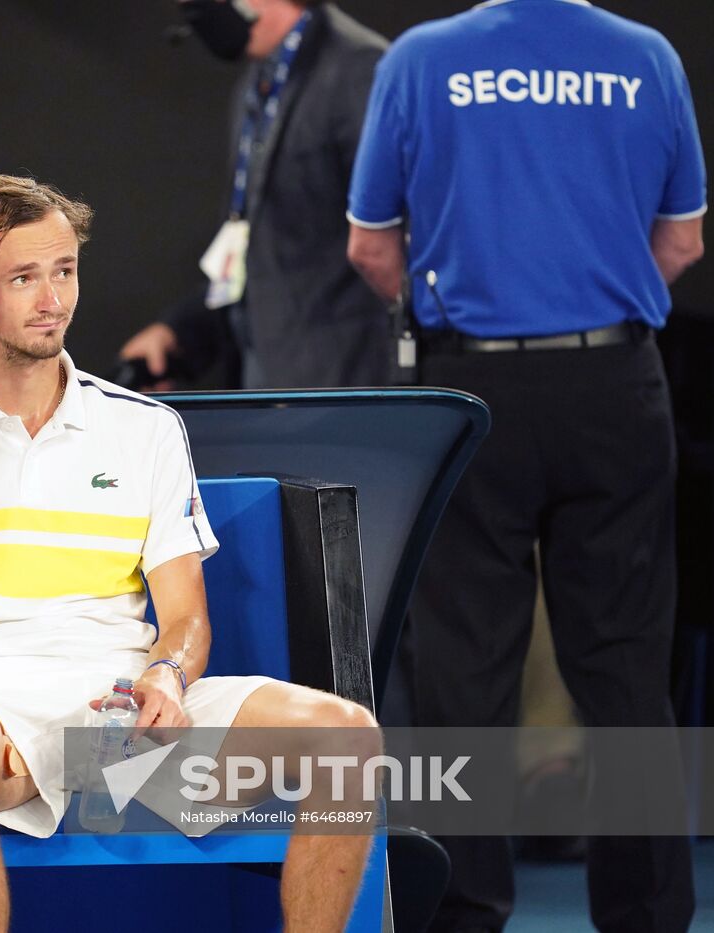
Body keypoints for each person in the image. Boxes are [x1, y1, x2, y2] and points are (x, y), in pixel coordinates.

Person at [0, 174, 382, 933]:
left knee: (348, 738)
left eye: (63, 271)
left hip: (123, 723)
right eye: (23, 277)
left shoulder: (147, 427)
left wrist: (168, 671)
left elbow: (186, 618)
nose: (52, 299)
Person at [345, 1, 706, 930]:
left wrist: (468, 310)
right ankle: (651, 917)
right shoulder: (648, 56)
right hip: (616, 382)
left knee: (464, 667)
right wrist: (591, 306)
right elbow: (681, 240)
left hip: (472, 391)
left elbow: (371, 244)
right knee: (626, 667)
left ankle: (463, 914)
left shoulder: (423, 59)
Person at [119, 0, 390, 390]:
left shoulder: (357, 69)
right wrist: (185, 330)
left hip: (334, 381)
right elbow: (256, 245)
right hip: (263, 367)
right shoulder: (258, 82)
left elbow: (386, 237)